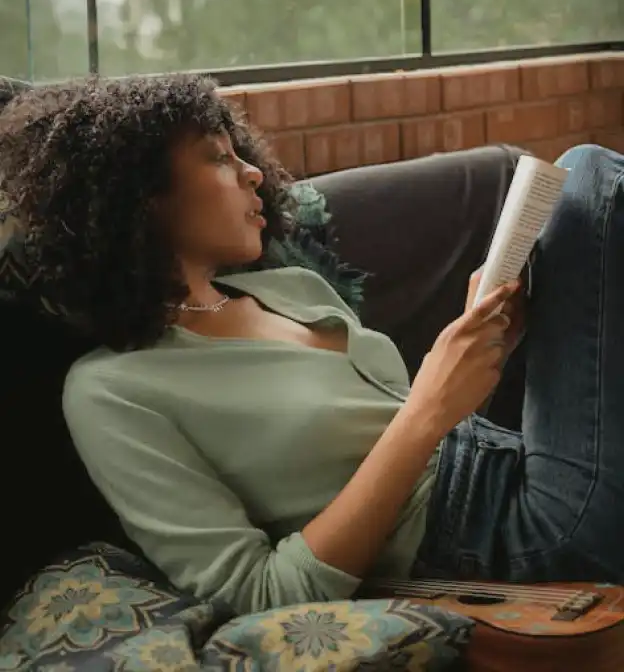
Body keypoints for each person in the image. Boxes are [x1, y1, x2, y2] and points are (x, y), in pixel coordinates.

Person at [0, 75, 622, 616]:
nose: (250, 171)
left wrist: (487, 341)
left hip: (514, 467)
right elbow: (261, 594)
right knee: (593, 178)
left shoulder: (289, 288)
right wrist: (429, 406)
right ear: (141, 200)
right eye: (217, 158)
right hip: (506, 548)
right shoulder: (111, 390)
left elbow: (413, 441)